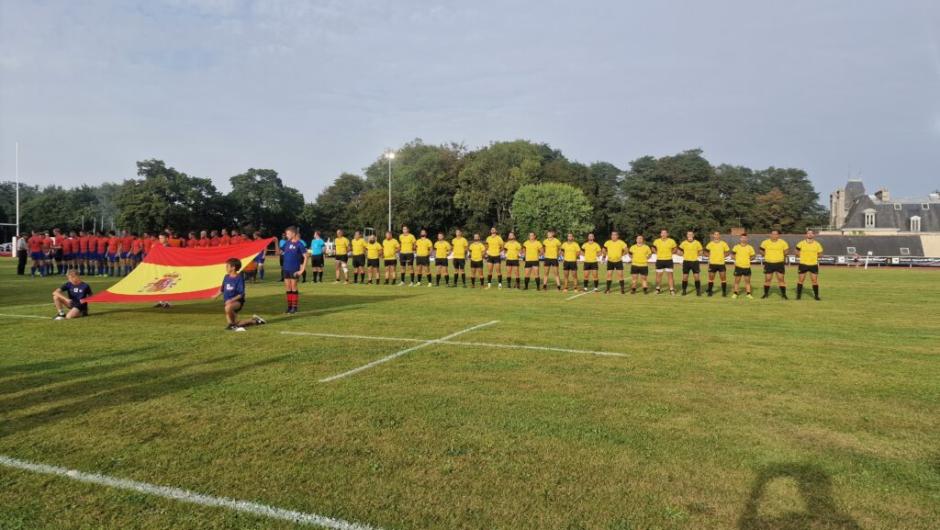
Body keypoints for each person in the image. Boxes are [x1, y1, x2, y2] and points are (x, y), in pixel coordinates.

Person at [211, 257, 266, 331]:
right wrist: (216, 296)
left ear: (233, 268)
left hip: (237, 302)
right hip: (228, 303)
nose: (226, 268)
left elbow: (241, 294)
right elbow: (222, 289)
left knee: (228, 308)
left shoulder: (239, 278)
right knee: (236, 323)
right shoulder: (226, 277)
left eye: (227, 266)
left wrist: (231, 300)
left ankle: (232, 326)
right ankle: (255, 321)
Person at [281, 226, 307, 313]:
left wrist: (302, 269)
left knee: (294, 287)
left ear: (293, 233)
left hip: (294, 269)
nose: (286, 235)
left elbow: (306, 256)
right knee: (288, 288)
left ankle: (294, 307)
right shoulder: (287, 243)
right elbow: (279, 252)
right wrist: (276, 241)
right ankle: (289, 307)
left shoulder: (299, 244)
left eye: (288, 234)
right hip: (286, 268)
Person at [760, 230, 789, 299]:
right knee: (767, 279)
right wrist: (766, 255)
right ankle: (766, 294)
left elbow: (786, 251)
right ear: (770, 235)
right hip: (769, 263)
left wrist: (782, 255)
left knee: (781, 279)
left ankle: (784, 295)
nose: (774, 235)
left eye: (776, 234)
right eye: (772, 234)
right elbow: (761, 250)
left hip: (779, 263)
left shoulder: (783, 242)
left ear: (778, 235)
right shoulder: (765, 242)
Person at [795, 229, 823, 301]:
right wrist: (799, 256)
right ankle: (798, 296)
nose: (810, 234)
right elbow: (796, 251)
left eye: (811, 233)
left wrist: (814, 257)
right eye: (808, 233)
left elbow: (820, 254)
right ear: (806, 235)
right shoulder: (801, 243)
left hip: (813, 264)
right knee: (801, 280)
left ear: (813, 235)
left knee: (814, 281)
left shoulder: (817, 244)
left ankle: (816, 296)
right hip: (803, 264)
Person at [705, 231, 731, 297]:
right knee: (711, 278)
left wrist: (723, 256)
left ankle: (724, 293)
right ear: (714, 236)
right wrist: (709, 256)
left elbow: (728, 252)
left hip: (721, 264)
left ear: (719, 236)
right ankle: (710, 292)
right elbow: (705, 252)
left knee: (723, 278)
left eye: (717, 234)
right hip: (712, 264)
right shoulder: (710, 244)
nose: (716, 236)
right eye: (715, 234)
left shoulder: (723, 243)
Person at [652, 229, 677, 295]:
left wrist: (671, 252)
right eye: (662, 233)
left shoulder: (671, 241)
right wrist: (656, 252)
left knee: (670, 275)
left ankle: (671, 290)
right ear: (660, 234)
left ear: (667, 234)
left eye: (665, 233)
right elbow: (653, 248)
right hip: (659, 260)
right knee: (658, 275)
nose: (663, 234)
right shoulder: (656, 241)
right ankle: (657, 289)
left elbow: (675, 248)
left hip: (668, 260)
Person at [679, 231, 704, 296]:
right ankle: (684, 291)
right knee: (685, 277)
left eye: (691, 234)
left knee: (696, 277)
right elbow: (679, 251)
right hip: (686, 262)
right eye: (688, 234)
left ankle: (698, 291)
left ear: (693, 235)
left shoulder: (697, 243)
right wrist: (681, 254)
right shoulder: (683, 243)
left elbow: (701, 251)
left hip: (695, 262)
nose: (690, 235)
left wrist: (696, 255)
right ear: (687, 235)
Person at [732, 233, 756, 299]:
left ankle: (748, 294)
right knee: (737, 281)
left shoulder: (750, 247)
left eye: (745, 238)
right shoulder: (736, 247)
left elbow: (753, 256)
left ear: (747, 239)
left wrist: (748, 259)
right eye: (742, 238)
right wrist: (737, 260)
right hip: (738, 267)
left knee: (747, 282)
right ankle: (735, 293)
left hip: (747, 267)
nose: (743, 239)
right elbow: (732, 255)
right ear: (740, 238)